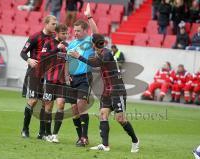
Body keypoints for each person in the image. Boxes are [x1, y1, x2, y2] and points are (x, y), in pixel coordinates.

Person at [69, 33, 139, 153]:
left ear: (94, 43)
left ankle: (135, 140)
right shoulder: (99, 52)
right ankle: (105, 145)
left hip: (117, 89)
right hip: (107, 90)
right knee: (103, 114)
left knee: (120, 119)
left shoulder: (106, 53)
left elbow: (96, 64)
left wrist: (79, 56)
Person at [20, 15, 57, 138]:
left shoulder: (54, 39)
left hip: (48, 74)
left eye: (55, 23)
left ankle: (41, 133)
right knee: (33, 100)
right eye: (52, 23)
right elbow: (22, 52)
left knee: (44, 102)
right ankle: (25, 129)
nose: (54, 25)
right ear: (46, 24)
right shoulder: (35, 37)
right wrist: (29, 60)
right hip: (34, 73)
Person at [66, 3, 98, 147]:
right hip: (72, 79)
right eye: (74, 31)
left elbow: (96, 33)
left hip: (84, 77)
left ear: (85, 30)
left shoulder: (89, 41)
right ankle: (80, 137)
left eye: (78, 31)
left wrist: (89, 16)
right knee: (74, 110)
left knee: (81, 106)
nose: (75, 33)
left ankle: (84, 137)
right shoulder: (71, 44)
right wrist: (66, 75)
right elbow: (67, 61)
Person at [40, 23, 69, 142]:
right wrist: (56, 49)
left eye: (66, 33)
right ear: (57, 33)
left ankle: (55, 135)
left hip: (61, 80)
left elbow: (67, 60)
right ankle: (47, 133)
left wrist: (67, 75)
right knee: (48, 106)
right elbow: (42, 57)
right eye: (63, 33)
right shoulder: (49, 43)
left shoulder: (67, 45)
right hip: (50, 79)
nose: (65, 35)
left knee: (61, 105)